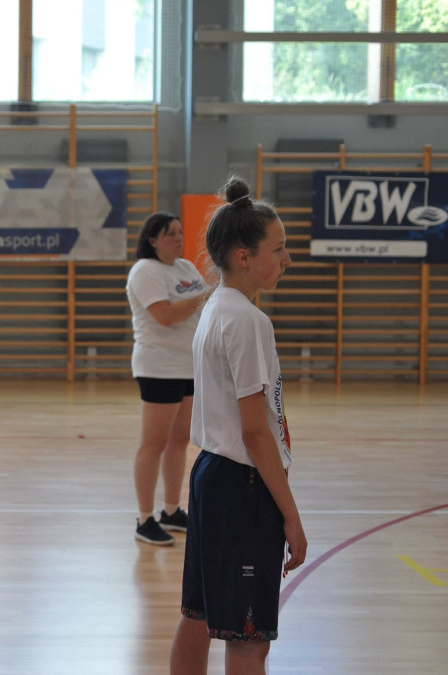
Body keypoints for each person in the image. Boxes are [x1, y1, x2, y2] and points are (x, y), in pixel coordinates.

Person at [169, 177, 307, 675]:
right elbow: (254, 431)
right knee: (249, 640)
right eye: (280, 248)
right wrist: (291, 515)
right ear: (244, 256)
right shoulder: (249, 322)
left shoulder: (217, 308)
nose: (287, 259)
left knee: (198, 614)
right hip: (242, 486)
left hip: (211, 476)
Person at [126, 212, 209, 546]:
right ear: (153, 239)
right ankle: (144, 519)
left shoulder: (186, 268)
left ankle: (171, 511)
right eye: (170, 233)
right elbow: (164, 315)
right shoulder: (145, 271)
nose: (178, 237)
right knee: (154, 443)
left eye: (179, 231)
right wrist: (201, 297)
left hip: (190, 366)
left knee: (179, 442)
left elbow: (205, 306)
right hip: (159, 366)